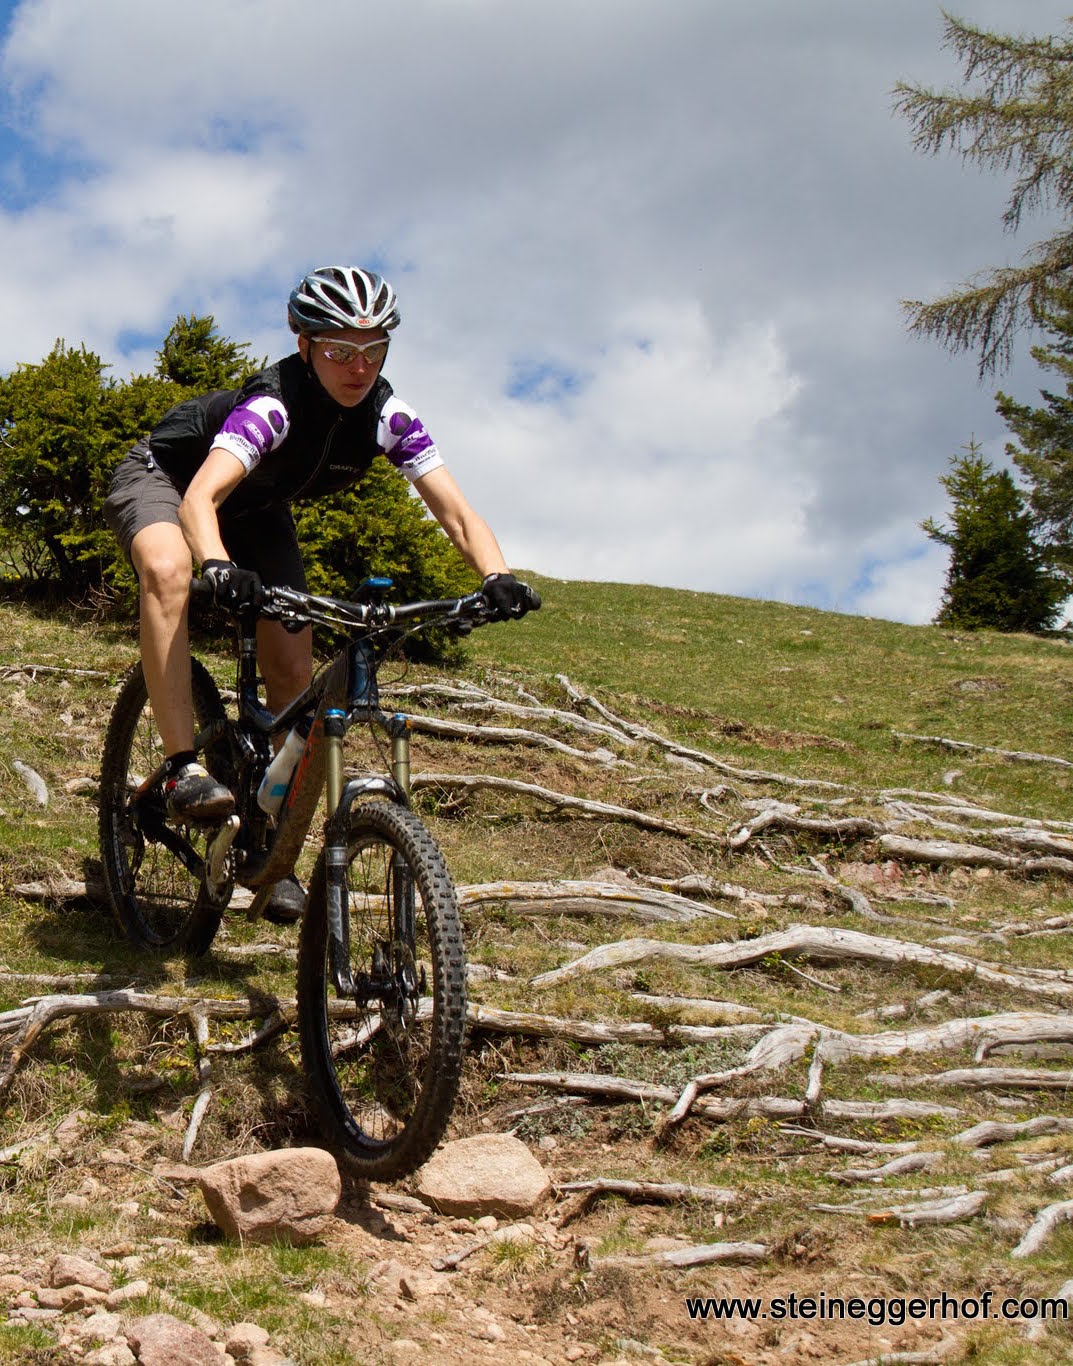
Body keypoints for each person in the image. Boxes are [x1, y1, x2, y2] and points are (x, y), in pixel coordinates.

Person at [105, 265, 535, 922]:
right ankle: (181, 766)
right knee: (168, 570)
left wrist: (496, 576)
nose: (358, 367)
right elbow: (200, 500)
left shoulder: (389, 416)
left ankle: (269, 849)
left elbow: (454, 512)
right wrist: (216, 564)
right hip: (171, 480)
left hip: (257, 507)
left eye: (373, 350)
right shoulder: (273, 407)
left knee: (294, 669)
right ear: (304, 345)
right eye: (339, 351)